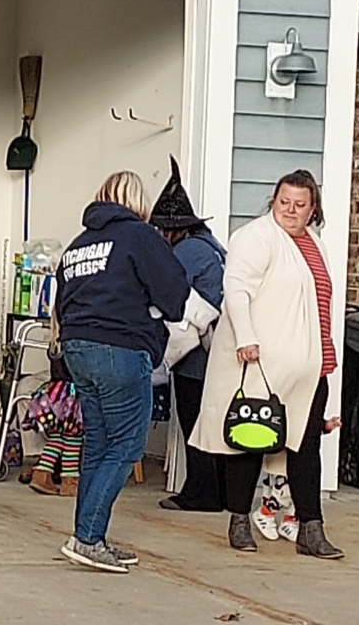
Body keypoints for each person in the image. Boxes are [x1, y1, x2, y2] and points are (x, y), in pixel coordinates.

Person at [192, 169, 344, 561]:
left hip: (310, 367)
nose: (290, 211)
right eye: (283, 203)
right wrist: (246, 337)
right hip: (262, 364)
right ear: (272, 202)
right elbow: (237, 288)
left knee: (306, 447)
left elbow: (319, 306)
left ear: (313, 209)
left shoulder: (315, 244)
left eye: (299, 205)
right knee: (252, 441)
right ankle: (239, 520)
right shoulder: (256, 237)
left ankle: (312, 529)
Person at [53, 170, 195, 575]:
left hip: (78, 348)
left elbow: (62, 300)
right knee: (128, 445)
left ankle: (90, 536)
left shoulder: (79, 244)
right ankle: (87, 537)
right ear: (137, 202)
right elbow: (174, 292)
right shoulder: (139, 235)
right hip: (119, 347)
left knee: (98, 444)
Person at [150, 158, 227, 514]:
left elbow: (167, 292)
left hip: (197, 357)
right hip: (222, 353)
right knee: (218, 425)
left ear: (172, 229)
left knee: (195, 424)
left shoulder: (186, 251)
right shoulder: (213, 246)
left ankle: (200, 493)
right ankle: (222, 492)